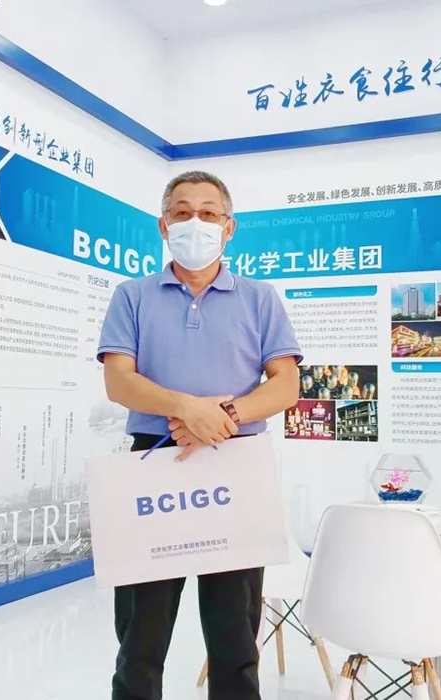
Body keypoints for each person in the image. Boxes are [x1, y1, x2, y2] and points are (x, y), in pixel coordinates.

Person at [97, 171, 302, 700]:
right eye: (182, 212)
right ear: (163, 225)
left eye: (209, 213)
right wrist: (187, 408)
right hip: (153, 465)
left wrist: (220, 417)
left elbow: (286, 386)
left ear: (228, 228)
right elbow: (119, 382)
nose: (195, 222)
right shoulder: (132, 296)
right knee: (140, 636)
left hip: (236, 465)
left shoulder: (260, 298)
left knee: (235, 637)